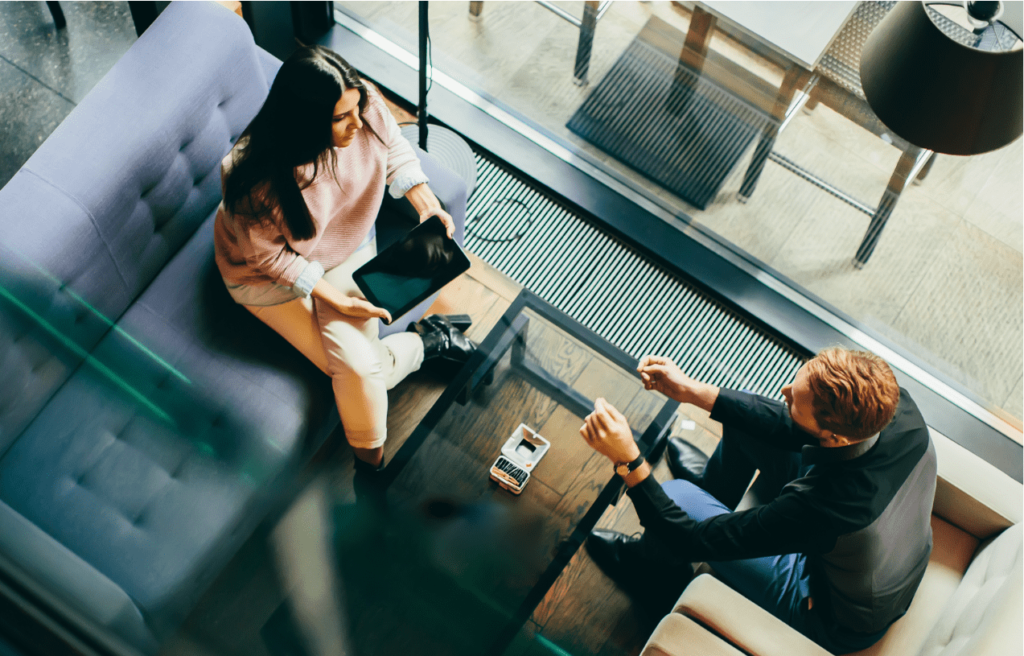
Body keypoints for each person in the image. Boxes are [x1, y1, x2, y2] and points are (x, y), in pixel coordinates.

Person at [214, 45, 474, 472]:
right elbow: (270, 259)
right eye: (340, 119)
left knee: (359, 370)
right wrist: (333, 299)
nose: (358, 123)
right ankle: (427, 351)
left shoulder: (362, 103)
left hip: (347, 247)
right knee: (361, 369)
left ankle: (370, 470)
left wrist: (423, 199)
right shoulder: (249, 175)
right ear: (305, 124)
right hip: (266, 277)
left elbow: (392, 144)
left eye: (358, 109)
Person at [578, 347, 936, 654]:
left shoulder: (828, 506)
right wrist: (692, 391)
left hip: (828, 613)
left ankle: (651, 572)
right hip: (879, 555)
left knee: (676, 496)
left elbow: (693, 540)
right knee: (744, 414)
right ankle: (713, 489)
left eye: (795, 399)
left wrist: (629, 460)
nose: (784, 391)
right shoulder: (894, 405)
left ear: (834, 436)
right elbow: (788, 424)